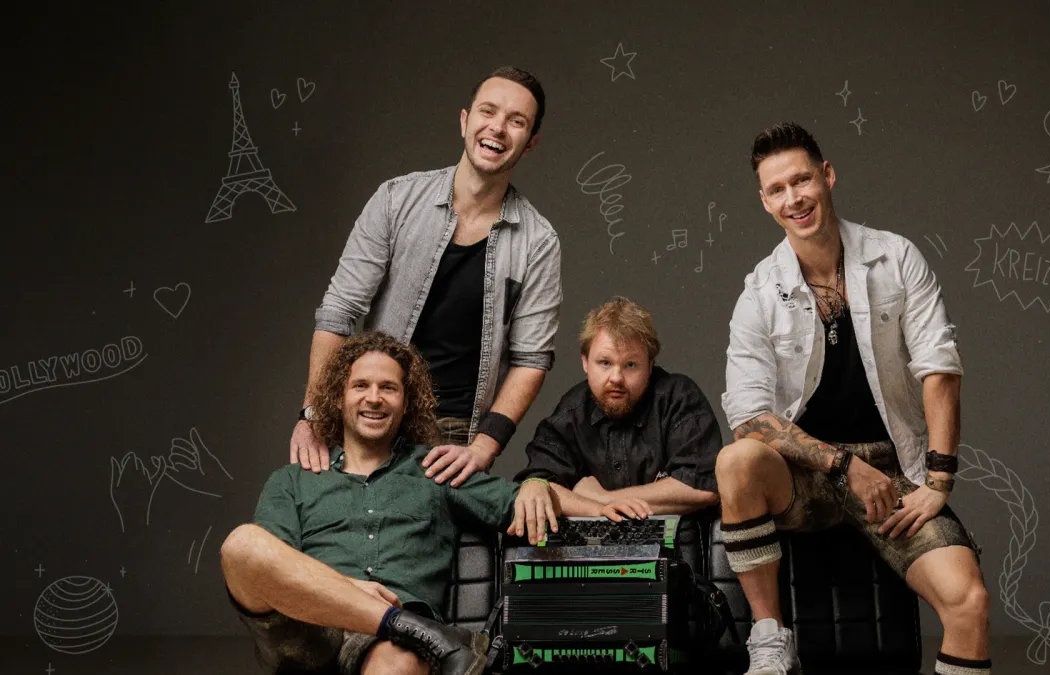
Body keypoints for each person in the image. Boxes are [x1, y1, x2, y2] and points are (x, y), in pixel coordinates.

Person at [715, 123, 990, 675]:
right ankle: (769, 638)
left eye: (802, 180)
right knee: (736, 460)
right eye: (777, 189)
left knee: (969, 603)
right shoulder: (760, 291)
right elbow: (749, 418)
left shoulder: (895, 257)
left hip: (894, 470)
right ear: (765, 202)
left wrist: (938, 481)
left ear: (828, 176)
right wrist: (844, 466)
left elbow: (940, 368)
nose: (794, 199)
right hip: (805, 474)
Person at [222, 331, 565, 675]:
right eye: (360, 386)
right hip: (306, 630)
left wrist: (537, 483)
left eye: (388, 388)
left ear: (406, 402)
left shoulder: (435, 469)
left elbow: (527, 501)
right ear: (338, 397)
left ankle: (407, 629)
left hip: (391, 646)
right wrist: (349, 590)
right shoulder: (292, 480)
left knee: (397, 662)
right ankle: (423, 633)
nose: (374, 398)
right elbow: (267, 572)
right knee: (242, 543)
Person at [291, 66, 562, 488]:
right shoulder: (395, 200)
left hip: (452, 438)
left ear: (530, 143)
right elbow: (339, 312)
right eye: (488, 111)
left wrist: (484, 448)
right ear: (464, 121)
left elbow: (531, 359)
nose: (498, 128)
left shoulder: (539, 242)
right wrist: (313, 415)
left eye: (517, 121)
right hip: (369, 417)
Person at [515, 296, 721, 518]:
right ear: (585, 362)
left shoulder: (678, 398)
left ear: (650, 366)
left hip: (676, 540)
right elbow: (538, 485)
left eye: (630, 365)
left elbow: (702, 487)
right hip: (595, 541)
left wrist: (602, 498)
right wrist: (593, 506)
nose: (616, 378)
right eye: (605, 363)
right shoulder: (571, 413)